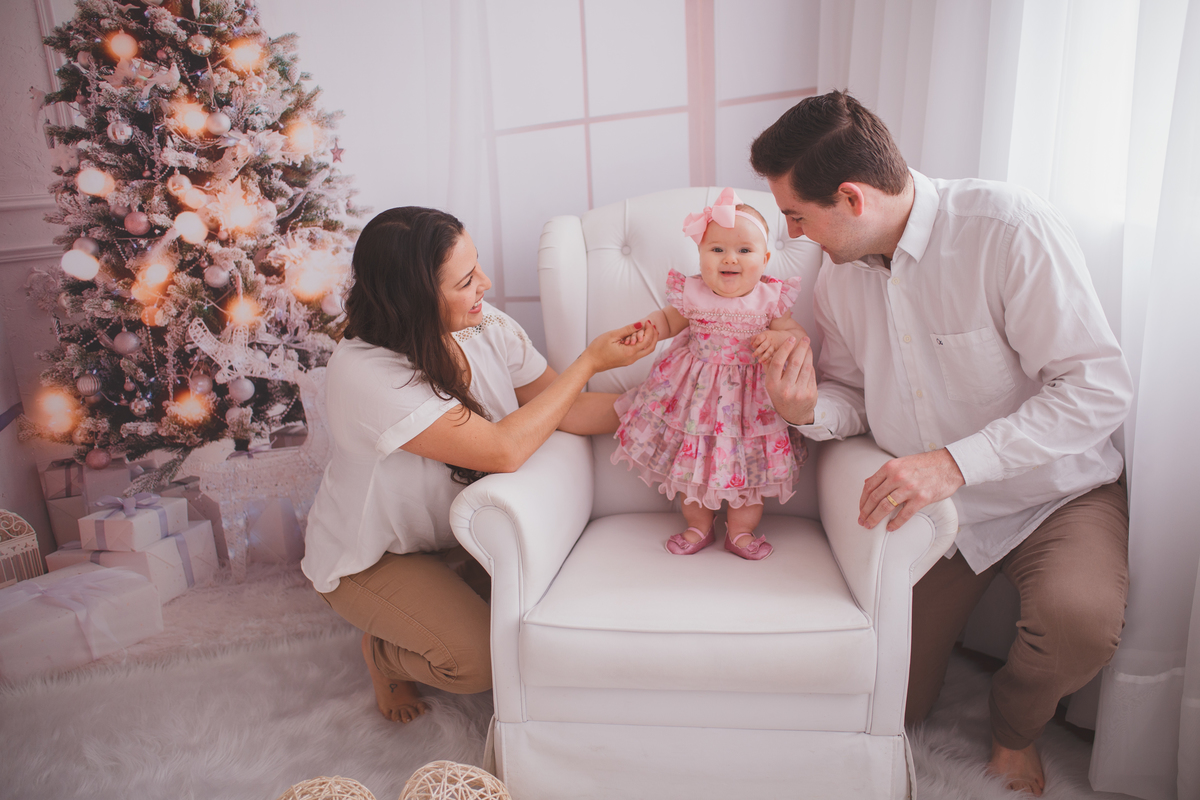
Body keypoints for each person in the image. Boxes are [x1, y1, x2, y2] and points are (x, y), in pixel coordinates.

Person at [750, 91, 1131, 795]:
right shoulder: (838, 280)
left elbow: (1097, 390)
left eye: (797, 217)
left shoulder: (1007, 229)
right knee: (889, 703)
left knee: (1080, 622)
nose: (792, 235)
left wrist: (956, 462)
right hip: (938, 518)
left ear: (851, 198)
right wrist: (804, 408)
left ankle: (1016, 728)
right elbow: (853, 398)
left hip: (1055, 491)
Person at [300, 206, 658, 723]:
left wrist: (672, 409)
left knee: (542, 634)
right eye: (467, 280)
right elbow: (502, 449)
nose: (485, 285)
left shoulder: (482, 323)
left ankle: (438, 604)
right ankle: (383, 657)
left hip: (455, 538)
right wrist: (590, 362)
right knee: (480, 664)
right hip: (374, 558)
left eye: (477, 269)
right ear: (416, 298)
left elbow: (564, 409)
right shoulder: (365, 373)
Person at [611, 188, 807, 561]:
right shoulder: (692, 292)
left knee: (748, 478)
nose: (729, 258)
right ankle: (698, 527)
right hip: (695, 400)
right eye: (716, 249)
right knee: (693, 471)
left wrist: (778, 337)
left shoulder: (770, 299)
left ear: (764, 259)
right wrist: (647, 328)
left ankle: (741, 531)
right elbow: (668, 320)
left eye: (744, 251)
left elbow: (798, 336)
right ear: (700, 255)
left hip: (750, 407)